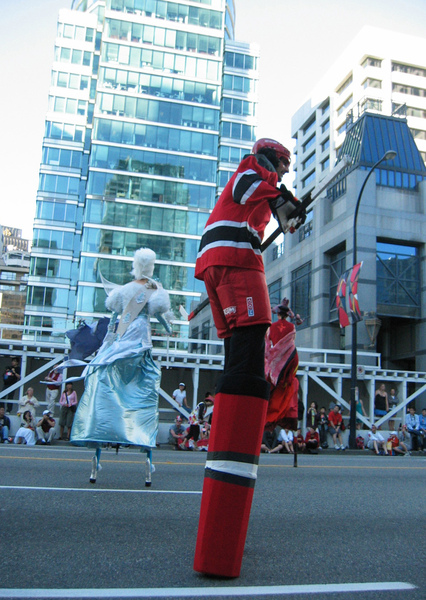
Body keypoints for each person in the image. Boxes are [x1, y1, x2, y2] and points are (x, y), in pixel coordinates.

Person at [193, 137, 306, 577]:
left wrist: (289, 213)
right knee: (251, 344)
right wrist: (282, 196)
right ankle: (246, 410)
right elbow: (249, 190)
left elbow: (277, 213)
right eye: (281, 166)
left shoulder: (261, 187)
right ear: (270, 160)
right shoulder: (251, 171)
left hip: (222, 259)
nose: (281, 175)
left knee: (239, 348)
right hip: (236, 261)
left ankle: (241, 415)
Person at [70, 248, 173, 486]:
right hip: (140, 341)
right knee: (143, 391)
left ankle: (96, 460)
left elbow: (114, 320)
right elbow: (160, 315)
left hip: (120, 342)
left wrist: (108, 343)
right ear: (152, 267)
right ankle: (145, 456)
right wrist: (168, 328)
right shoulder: (154, 289)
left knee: (104, 385)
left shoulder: (124, 290)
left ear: (135, 266)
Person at [265, 298, 301, 431]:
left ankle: (271, 414)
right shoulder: (292, 327)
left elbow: (268, 346)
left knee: (273, 385)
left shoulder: (271, 327)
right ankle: (287, 414)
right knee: (289, 384)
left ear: (277, 314)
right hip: (291, 359)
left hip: (277, 361)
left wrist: (269, 358)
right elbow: (291, 342)